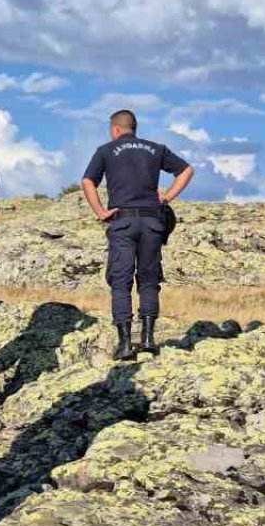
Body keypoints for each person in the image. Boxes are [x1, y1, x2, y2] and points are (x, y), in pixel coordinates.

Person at [80, 109, 194, 360]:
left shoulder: (106, 151)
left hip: (123, 221)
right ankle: (149, 340)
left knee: (121, 281)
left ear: (115, 129)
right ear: (134, 127)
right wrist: (166, 196)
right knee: (149, 279)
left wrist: (100, 211)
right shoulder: (156, 149)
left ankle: (124, 345)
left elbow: (88, 181)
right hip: (152, 220)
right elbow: (186, 170)